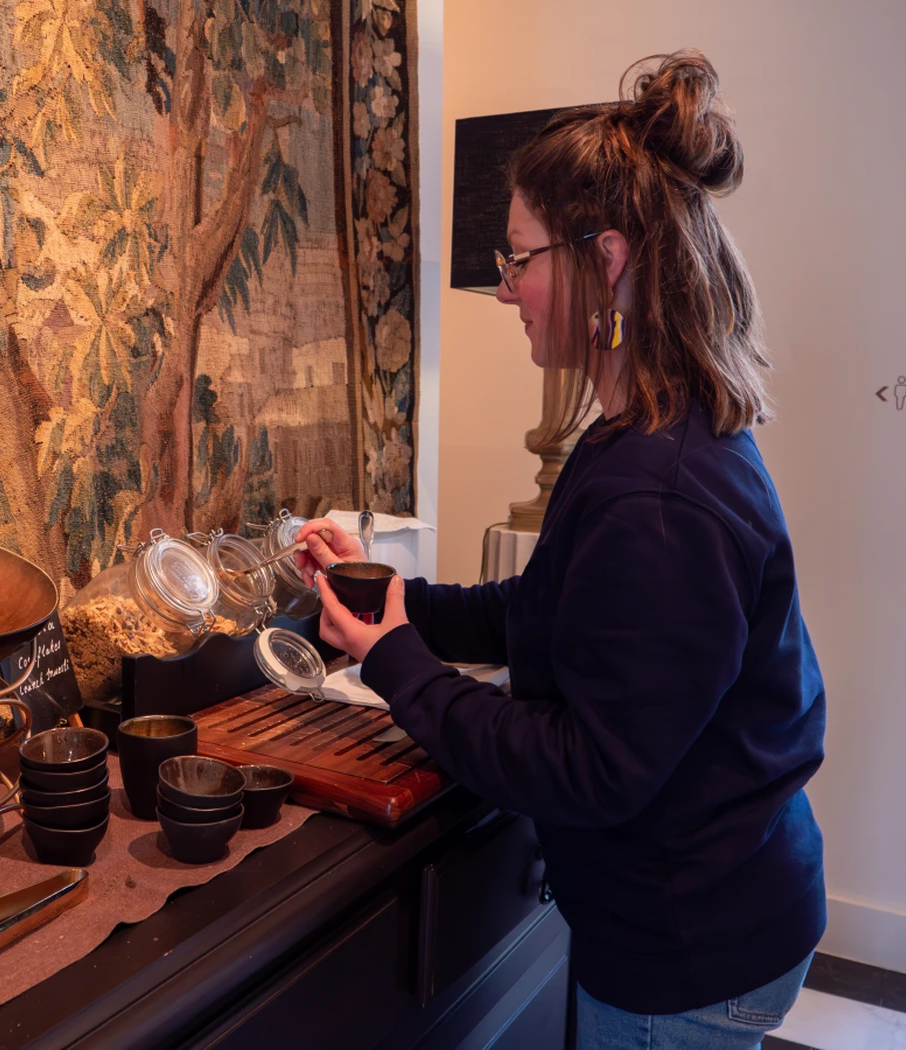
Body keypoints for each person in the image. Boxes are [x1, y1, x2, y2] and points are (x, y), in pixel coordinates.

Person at [295, 51, 826, 1050]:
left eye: (518, 258)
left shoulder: (659, 494)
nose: (505, 292)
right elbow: (548, 608)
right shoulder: (636, 435)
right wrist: (388, 599)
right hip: (711, 906)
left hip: (690, 950)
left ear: (607, 260)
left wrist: (395, 664)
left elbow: (588, 771)